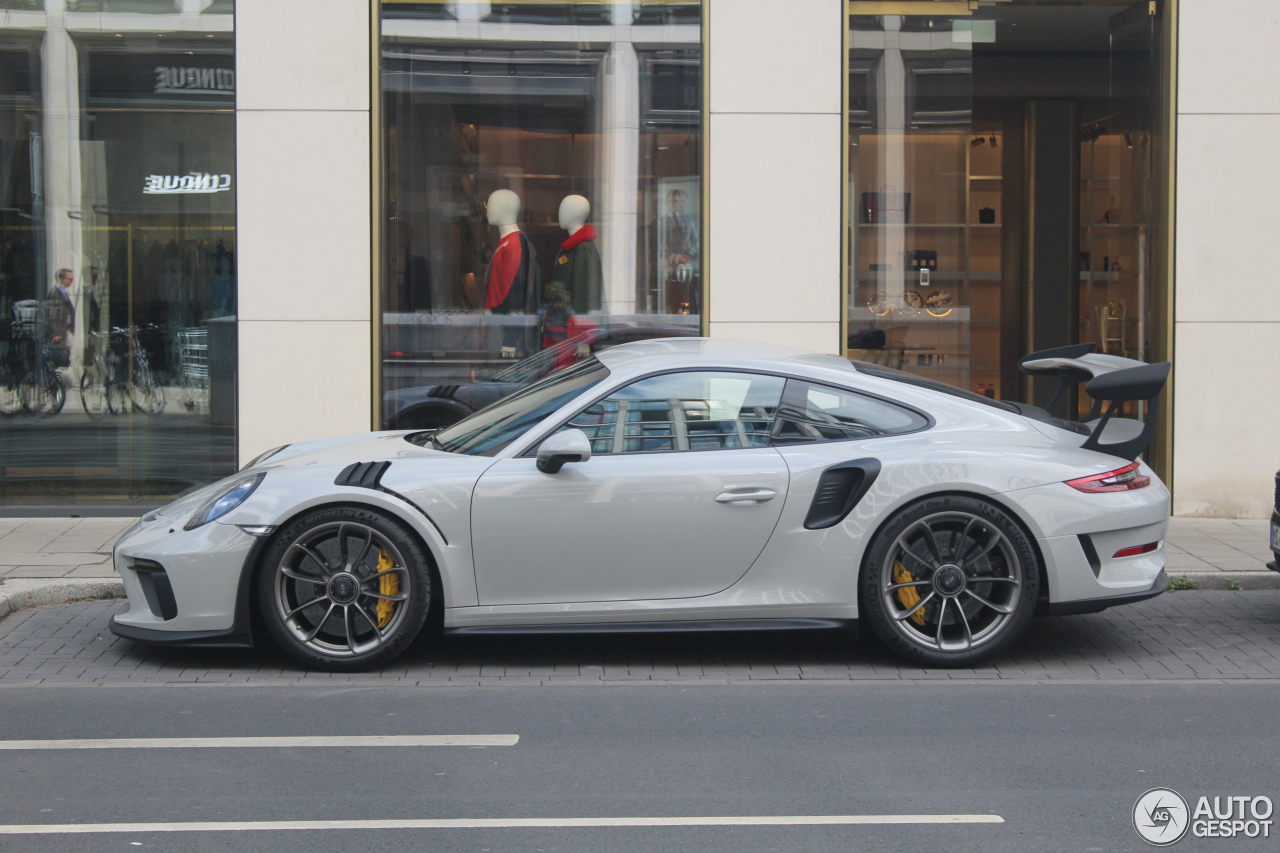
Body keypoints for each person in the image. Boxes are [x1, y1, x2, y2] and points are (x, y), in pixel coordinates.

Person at [661, 189, 699, 313]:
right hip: (670, 267)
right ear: (669, 203)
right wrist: (676, 258)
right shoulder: (663, 221)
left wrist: (690, 253)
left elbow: (696, 240)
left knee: (688, 298)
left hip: (687, 266)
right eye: (676, 201)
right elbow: (659, 246)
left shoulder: (688, 220)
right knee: (672, 300)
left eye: (682, 201)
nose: (679, 205)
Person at [47, 268, 75, 344]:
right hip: (60, 331)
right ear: (61, 279)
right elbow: (53, 314)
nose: (71, 281)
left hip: (67, 329)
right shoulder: (55, 293)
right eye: (69, 279)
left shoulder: (64, 292)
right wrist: (55, 333)